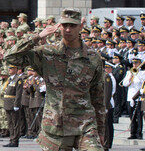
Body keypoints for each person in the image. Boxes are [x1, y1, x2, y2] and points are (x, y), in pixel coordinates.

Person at [6, 8, 106, 151]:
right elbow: (11, 57)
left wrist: (101, 131)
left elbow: (98, 96)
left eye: (72, 25)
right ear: (59, 27)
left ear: (81, 27)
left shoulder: (92, 57)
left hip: (85, 124)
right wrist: (37, 36)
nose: (68, 29)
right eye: (65, 25)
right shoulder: (47, 53)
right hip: (55, 127)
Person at [1, 64, 24, 147]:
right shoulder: (10, 79)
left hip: (13, 103)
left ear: (15, 69)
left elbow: (18, 93)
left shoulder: (18, 79)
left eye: (11, 68)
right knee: (10, 123)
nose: (9, 70)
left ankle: (15, 140)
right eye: (9, 68)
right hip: (7, 103)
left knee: (15, 123)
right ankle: (11, 139)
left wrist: (17, 104)